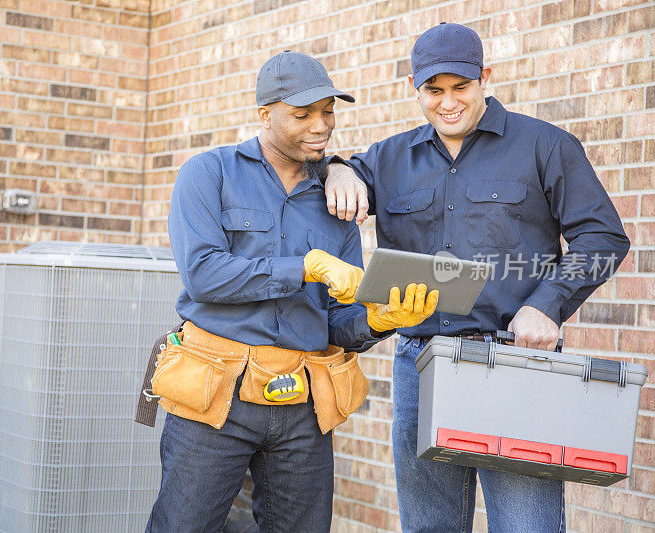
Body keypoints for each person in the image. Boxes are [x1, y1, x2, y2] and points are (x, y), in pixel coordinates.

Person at [324, 23, 630, 532]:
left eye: (460, 88)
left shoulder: (545, 146)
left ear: (485, 77)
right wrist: (337, 168)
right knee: (430, 528)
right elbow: (338, 175)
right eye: (433, 91)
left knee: (525, 526)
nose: (448, 103)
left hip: (514, 364)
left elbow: (604, 240)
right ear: (413, 87)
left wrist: (548, 305)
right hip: (419, 364)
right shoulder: (389, 159)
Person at [145, 50, 438, 533]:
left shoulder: (335, 201)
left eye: (328, 111)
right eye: (302, 114)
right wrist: (304, 266)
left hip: (302, 401)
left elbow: (336, 318)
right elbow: (203, 274)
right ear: (265, 114)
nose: (320, 125)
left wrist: (378, 320)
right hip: (216, 394)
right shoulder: (209, 173)